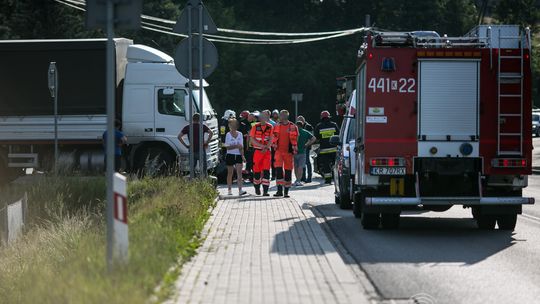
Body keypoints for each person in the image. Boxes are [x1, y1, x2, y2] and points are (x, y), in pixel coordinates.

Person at [272, 110, 299, 198]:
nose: (281, 116)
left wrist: (294, 148)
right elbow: (272, 137)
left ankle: (286, 192)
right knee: (278, 171)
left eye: (283, 115)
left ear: (287, 116)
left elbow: (296, 138)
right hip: (278, 152)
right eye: (281, 115)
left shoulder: (293, 126)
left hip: (288, 153)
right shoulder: (276, 126)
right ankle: (279, 191)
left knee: (288, 172)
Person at [249, 111, 274, 196]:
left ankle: (265, 191)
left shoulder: (270, 127)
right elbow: (252, 139)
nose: (263, 117)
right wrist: (262, 146)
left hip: (267, 152)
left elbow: (271, 139)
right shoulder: (255, 126)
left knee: (266, 171)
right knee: (257, 171)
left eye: (265, 116)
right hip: (257, 151)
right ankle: (257, 187)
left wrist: (266, 147)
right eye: (262, 116)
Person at [314, 110, 339, 184]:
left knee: (326, 165)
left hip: (324, 150)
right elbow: (339, 134)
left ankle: (328, 180)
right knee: (336, 164)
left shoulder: (319, 126)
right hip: (334, 149)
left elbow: (316, 138)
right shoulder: (334, 125)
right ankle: (337, 178)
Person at [224, 118, 247, 196]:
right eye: (231, 124)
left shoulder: (240, 134)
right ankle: (229, 190)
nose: (233, 126)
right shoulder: (228, 134)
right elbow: (227, 147)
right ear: (229, 126)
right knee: (230, 173)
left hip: (238, 155)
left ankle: (240, 190)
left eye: (234, 124)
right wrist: (236, 146)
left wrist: (243, 156)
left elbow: (241, 147)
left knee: (239, 173)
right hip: (230, 155)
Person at [294, 121, 316, 186]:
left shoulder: (293, 132)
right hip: (302, 151)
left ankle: (297, 180)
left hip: (294, 152)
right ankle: (298, 180)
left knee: (296, 167)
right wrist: (307, 144)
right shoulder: (305, 132)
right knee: (300, 167)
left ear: (296, 125)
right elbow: (314, 138)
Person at [297, 115, 314, 183]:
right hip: (300, 147)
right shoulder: (298, 127)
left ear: (303, 121)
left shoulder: (308, 126)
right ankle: (302, 177)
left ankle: (309, 177)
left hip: (306, 147)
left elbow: (311, 136)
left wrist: (306, 144)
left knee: (307, 162)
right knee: (301, 163)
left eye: (301, 120)